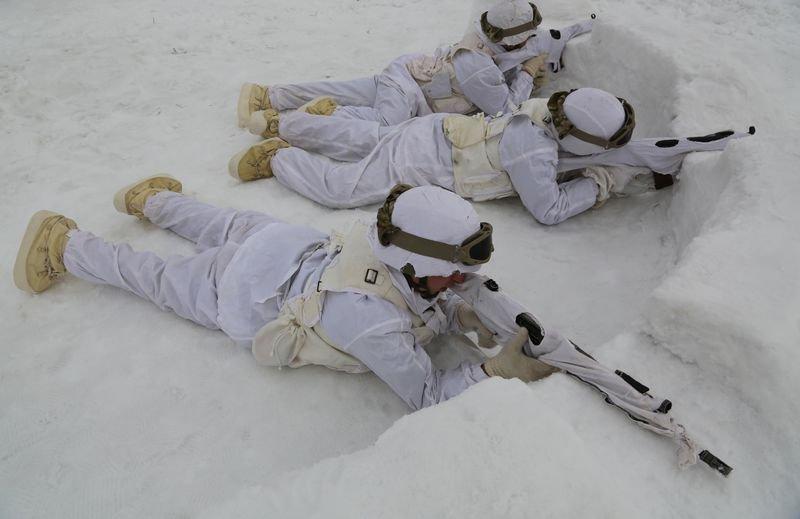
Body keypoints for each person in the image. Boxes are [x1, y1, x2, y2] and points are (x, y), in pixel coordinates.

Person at [13, 179, 555, 410]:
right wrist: (492, 372)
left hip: (283, 244)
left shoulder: (388, 241)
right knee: (156, 277)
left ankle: (150, 200)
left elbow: (426, 294)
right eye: (453, 271)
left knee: (221, 223)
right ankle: (66, 246)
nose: (461, 280)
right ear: (415, 264)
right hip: (243, 292)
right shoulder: (373, 323)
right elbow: (428, 394)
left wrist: (459, 312)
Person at [228, 87, 752, 225]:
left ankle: (289, 122)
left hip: (435, 132)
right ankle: (277, 156)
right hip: (430, 164)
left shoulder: (555, 113)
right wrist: (602, 180)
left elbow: (611, 143)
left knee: (366, 139)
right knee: (343, 189)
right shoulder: (533, 151)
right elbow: (546, 210)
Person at [237, 0, 592, 130]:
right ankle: (298, 119)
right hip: (414, 97)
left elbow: (555, 35)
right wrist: (527, 74)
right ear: (516, 38)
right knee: (384, 126)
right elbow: (506, 113)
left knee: (349, 88)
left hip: (405, 71)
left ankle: (267, 95)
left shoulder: (486, 35)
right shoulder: (479, 69)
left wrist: (589, 25)